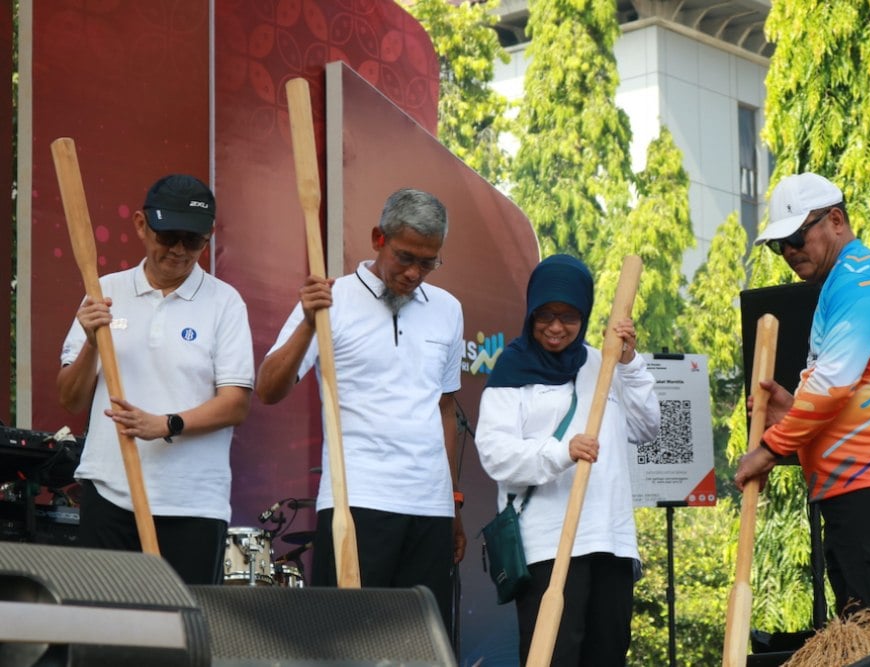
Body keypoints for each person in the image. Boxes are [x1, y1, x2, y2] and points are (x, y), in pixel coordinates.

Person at [735, 172, 870, 616]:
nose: (789, 252)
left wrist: (771, 449)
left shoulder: (862, 278)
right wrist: (792, 409)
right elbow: (846, 387)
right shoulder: (842, 284)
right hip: (865, 478)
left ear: (835, 220)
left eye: (796, 237)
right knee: (864, 629)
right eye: (780, 245)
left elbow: (834, 382)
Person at [255, 188, 466, 629]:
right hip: (357, 502)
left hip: (430, 508)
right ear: (378, 238)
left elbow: (445, 408)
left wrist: (453, 502)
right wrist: (311, 323)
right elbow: (269, 388)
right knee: (347, 641)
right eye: (406, 257)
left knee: (422, 647)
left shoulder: (448, 310)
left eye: (428, 263)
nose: (413, 273)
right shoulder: (330, 299)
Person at [57, 174, 254, 585]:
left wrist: (165, 424)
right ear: (141, 225)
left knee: (182, 634)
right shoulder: (104, 292)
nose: (180, 250)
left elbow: (236, 403)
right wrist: (92, 343)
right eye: (168, 235)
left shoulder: (225, 303)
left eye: (193, 239)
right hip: (110, 493)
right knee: (104, 628)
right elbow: (71, 400)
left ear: (209, 236)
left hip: (193, 504)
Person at [475, 254, 660, 667]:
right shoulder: (511, 368)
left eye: (569, 316)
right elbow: (494, 453)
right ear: (531, 311)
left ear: (585, 314)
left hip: (610, 540)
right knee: (555, 657)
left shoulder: (606, 361)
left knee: (607, 654)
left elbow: (648, 428)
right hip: (548, 543)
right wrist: (562, 453)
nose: (556, 327)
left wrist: (629, 363)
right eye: (546, 314)